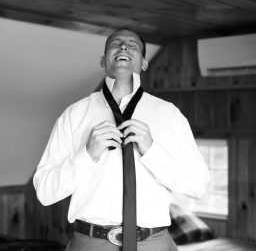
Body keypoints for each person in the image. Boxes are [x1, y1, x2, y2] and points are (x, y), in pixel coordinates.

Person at [33, 27, 210, 251]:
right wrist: (86, 155)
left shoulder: (170, 115)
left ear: (144, 63)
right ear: (103, 61)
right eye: (116, 44)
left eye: (132, 45)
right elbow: (45, 192)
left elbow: (198, 185)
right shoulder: (74, 115)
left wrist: (152, 150)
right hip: (91, 244)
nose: (124, 47)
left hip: (154, 244)